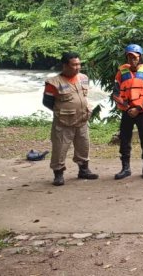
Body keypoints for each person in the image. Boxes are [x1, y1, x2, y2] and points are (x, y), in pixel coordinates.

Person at [42, 52, 98, 186]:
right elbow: (47, 102)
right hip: (63, 123)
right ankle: (58, 174)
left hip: (82, 120)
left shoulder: (83, 78)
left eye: (79, 64)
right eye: (74, 65)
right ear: (65, 65)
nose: (78, 67)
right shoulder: (53, 82)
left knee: (84, 146)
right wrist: (63, 111)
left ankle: (84, 170)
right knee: (60, 148)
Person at [112, 44, 143, 180]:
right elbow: (115, 93)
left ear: (140, 57)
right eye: (130, 57)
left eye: (135, 57)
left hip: (142, 111)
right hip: (127, 111)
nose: (132, 60)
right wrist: (127, 107)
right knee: (124, 139)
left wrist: (138, 108)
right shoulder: (121, 71)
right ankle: (126, 168)